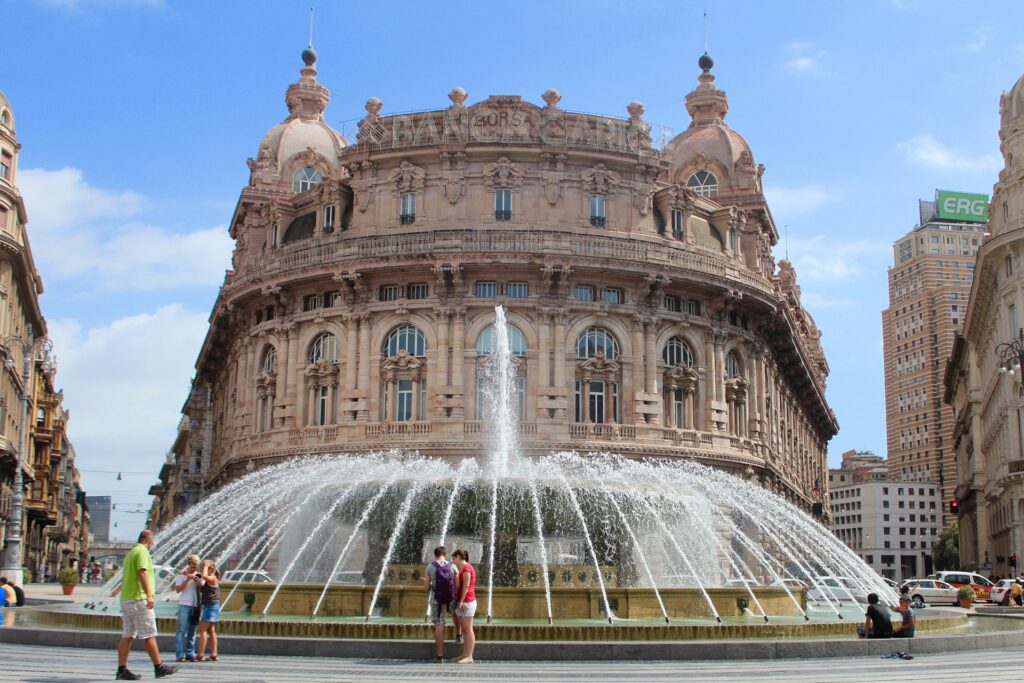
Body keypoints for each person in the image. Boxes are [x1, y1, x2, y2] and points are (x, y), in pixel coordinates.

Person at [116, 529, 177, 680]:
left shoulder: (132, 552)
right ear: (150, 541)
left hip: (126, 599)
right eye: (152, 543)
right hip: (138, 599)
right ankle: (159, 667)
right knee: (149, 634)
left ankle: (121, 669)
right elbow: (142, 572)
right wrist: (150, 595)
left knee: (127, 635)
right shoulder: (143, 552)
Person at [422, 545, 457, 662]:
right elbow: (457, 585)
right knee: (459, 617)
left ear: (435, 554)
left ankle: (440, 656)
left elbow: (426, 588)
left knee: (439, 625)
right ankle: (460, 635)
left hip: (437, 599)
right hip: (451, 599)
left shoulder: (430, 566)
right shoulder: (452, 566)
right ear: (445, 554)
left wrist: (432, 584)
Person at [172, 555, 202, 662]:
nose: (194, 568)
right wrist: (187, 579)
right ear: (188, 564)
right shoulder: (182, 575)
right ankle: (180, 654)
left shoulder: (199, 575)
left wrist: (198, 582)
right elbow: (178, 590)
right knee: (181, 630)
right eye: (192, 566)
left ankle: (190, 653)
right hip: (184, 605)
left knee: (192, 631)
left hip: (195, 606)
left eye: (196, 566)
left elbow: (203, 589)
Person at [451, 548, 477, 664]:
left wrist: (461, 602)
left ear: (458, 557)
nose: (452, 560)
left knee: (468, 629)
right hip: (464, 601)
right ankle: (465, 654)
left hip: (467, 601)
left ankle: (470, 656)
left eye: (453, 558)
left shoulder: (467, 568)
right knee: (465, 630)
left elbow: (466, 587)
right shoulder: (463, 568)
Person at [195, 559, 221, 662]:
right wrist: (199, 584)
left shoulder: (213, 578)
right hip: (212, 606)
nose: (203, 569)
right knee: (211, 630)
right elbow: (205, 590)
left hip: (211, 606)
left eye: (206, 568)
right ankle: (214, 654)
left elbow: (204, 576)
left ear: (212, 569)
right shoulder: (210, 580)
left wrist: (206, 566)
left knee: (203, 630)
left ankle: (200, 654)